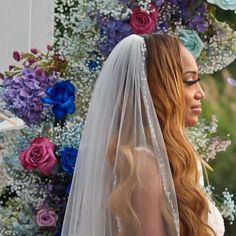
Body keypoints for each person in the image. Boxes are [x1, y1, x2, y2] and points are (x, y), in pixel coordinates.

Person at [61, 34, 225, 236]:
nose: (201, 93)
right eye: (190, 81)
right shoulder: (145, 165)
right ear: (159, 86)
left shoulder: (169, 159)